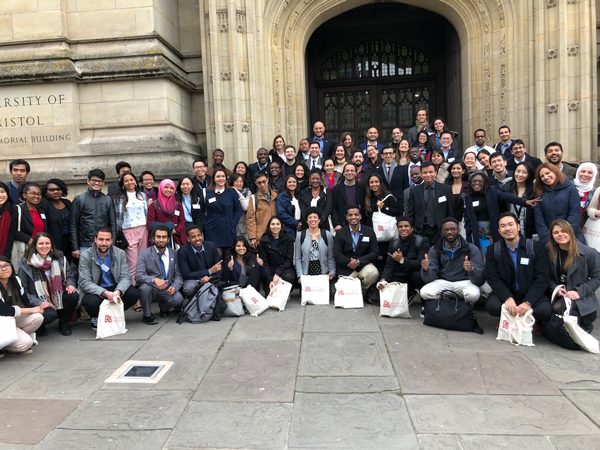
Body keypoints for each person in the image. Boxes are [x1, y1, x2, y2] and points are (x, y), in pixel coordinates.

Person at [484, 212, 551, 326]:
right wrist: (507, 298)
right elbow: (493, 278)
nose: (507, 228)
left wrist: (528, 301)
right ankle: (506, 318)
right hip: (509, 292)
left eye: (511, 224)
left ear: (518, 227)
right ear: (499, 231)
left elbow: (542, 278)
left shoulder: (536, 248)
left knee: (545, 310)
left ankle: (533, 322)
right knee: (492, 306)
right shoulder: (493, 250)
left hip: (529, 293)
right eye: (503, 226)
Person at [79, 227, 140, 331]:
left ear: (112, 240)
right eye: (101, 239)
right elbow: (85, 282)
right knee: (91, 302)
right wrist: (105, 293)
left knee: (134, 293)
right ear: (95, 239)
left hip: (114, 287)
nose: (104, 243)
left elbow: (126, 276)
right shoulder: (85, 256)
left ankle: (115, 314)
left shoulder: (120, 253)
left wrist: (118, 291)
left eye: (107, 240)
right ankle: (96, 316)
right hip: (97, 289)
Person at [463, 171, 538, 254]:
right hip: (478, 234)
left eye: (480, 181)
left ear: (485, 182)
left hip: (493, 231)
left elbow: (509, 197)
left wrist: (525, 202)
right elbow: (468, 220)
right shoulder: (467, 197)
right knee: (480, 255)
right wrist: (469, 238)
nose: (477, 183)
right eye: (474, 181)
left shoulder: (492, 191)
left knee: (495, 253)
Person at [18, 232, 77, 336]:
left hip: (58, 295)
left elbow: (69, 274)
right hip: (39, 299)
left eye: (47, 243)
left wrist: (70, 285)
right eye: (41, 243)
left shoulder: (59, 257)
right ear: (35, 246)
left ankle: (63, 323)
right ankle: (40, 326)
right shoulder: (26, 263)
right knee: (50, 315)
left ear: (51, 245)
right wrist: (38, 302)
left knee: (73, 295)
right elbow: (23, 291)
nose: (44, 246)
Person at [548, 219, 600, 334]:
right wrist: (556, 289)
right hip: (560, 295)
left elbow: (597, 278)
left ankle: (579, 328)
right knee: (551, 314)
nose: (560, 234)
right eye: (556, 233)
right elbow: (547, 276)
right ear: (552, 236)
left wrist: (578, 292)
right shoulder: (549, 251)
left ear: (570, 232)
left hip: (582, 299)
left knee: (558, 309)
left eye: (563, 231)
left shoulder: (589, 253)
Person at [420, 217, 485, 306]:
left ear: (458, 230)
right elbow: (430, 279)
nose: (449, 232)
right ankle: (443, 306)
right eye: (446, 230)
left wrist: (471, 270)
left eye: (453, 229)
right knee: (425, 292)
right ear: (442, 232)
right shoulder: (435, 249)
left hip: (463, 282)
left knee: (473, 294)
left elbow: (480, 280)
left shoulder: (471, 249)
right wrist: (426, 270)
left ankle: (465, 310)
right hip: (443, 281)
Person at [135, 225, 184, 325]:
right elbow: (139, 276)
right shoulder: (144, 253)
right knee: (144, 288)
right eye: (158, 237)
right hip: (151, 288)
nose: (161, 240)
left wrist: (174, 287)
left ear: (168, 239)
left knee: (179, 298)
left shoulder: (174, 253)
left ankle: (164, 307)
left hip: (167, 289)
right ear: (153, 238)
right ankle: (147, 315)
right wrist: (154, 280)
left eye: (164, 237)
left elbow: (178, 275)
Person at [112, 171, 149, 289]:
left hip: (143, 229)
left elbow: (146, 213)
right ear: (123, 184)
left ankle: (144, 290)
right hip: (128, 231)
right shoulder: (119, 198)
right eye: (126, 181)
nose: (130, 182)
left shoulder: (142, 195)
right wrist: (118, 234)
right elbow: (118, 218)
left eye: (131, 180)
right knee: (132, 263)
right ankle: (134, 293)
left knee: (143, 261)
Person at [0, 256, 44, 355]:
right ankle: (4, 343)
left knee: (38, 317)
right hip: (1, 321)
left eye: (6, 265)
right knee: (26, 344)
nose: (4, 269)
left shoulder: (16, 279)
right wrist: (31, 310)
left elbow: (24, 300)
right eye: (0, 267)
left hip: (12, 318)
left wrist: (32, 309)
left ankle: (10, 340)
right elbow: (3, 310)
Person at [70, 169, 116, 259]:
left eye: (99, 181)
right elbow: (73, 225)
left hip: (104, 244)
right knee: (86, 271)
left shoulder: (108, 200)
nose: (97, 183)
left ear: (103, 183)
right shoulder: (80, 199)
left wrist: (112, 244)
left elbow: (113, 224)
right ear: (88, 181)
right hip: (85, 244)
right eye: (94, 180)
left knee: (104, 271)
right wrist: (75, 247)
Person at [333, 205, 379, 292]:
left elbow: (375, 253)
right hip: (346, 268)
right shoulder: (340, 233)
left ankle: (362, 290)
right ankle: (355, 291)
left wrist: (359, 261)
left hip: (363, 266)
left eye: (356, 214)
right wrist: (350, 262)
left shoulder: (369, 231)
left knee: (373, 273)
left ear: (360, 216)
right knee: (345, 291)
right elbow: (337, 255)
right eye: (350, 215)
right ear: (347, 217)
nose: (353, 217)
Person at [534, 163, 584, 243]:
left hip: (572, 237)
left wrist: (564, 234)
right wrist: (547, 240)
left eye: (547, 173)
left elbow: (574, 214)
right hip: (550, 240)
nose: (545, 177)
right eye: (542, 176)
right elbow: (539, 220)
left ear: (555, 172)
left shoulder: (570, 188)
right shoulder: (539, 193)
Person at [406, 161, 454, 244]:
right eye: (425, 172)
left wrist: (448, 229)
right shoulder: (414, 191)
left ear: (435, 173)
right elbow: (410, 213)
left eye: (431, 172)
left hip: (440, 230)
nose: (428, 175)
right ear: (421, 174)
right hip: (421, 231)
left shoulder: (445, 189)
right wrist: (413, 229)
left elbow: (450, 212)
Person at [379, 218, 430, 294]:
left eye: (406, 226)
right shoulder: (393, 244)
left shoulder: (422, 241)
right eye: (400, 227)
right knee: (383, 283)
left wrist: (402, 260)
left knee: (418, 275)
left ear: (412, 228)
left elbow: (420, 263)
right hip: (401, 275)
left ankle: (422, 299)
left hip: (414, 275)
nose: (403, 229)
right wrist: (384, 279)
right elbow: (389, 265)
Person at [203, 169, 242, 259]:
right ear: (213, 178)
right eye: (218, 176)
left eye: (223, 176)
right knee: (216, 257)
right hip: (212, 230)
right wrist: (205, 225)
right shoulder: (206, 192)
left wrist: (233, 223)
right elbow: (201, 212)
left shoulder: (232, 192)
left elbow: (238, 210)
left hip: (228, 229)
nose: (221, 179)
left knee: (229, 258)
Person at [363, 173, 400, 263]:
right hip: (372, 232)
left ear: (380, 183)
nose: (374, 184)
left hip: (385, 233)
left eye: (376, 182)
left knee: (386, 257)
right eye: (371, 182)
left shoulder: (387, 196)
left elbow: (396, 212)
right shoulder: (368, 197)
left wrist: (383, 207)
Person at [177, 226, 223, 298]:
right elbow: (186, 274)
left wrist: (210, 277)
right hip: (193, 279)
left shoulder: (211, 246)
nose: (197, 239)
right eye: (193, 237)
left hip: (209, 278)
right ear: (188, 239)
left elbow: (219, 267)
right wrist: (209, 271)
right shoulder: (183, 251)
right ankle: (194, 303)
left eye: (199, 235)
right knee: (188, 288)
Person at [11, 183, 48, 270]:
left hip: (40, 250)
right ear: (24, 195)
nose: (36, 196)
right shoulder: (17, 210)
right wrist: (28, 239)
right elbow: (11, 231)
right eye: (33, 193)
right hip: (24, 250)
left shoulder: (42, 211)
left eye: (39, 194)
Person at [295, 207, 335, 283]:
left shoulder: (327, 235)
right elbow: (297, 258)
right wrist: (300, 275)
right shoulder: (300, 236)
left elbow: (330, 257)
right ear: (306, 220)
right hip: (306, 273)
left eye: (315, 217)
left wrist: (332, 272)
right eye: (310, 218)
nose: (312, 220)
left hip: (323, 273)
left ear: (319, 219)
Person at [146, 179, 187, 247]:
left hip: (175, 238)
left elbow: (182, 221)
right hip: (159, 238)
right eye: (166, 187)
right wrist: (168, 228)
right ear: (161, 188)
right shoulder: (154, 205)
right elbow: (150, 222)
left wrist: (175, 230)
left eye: (171, 188)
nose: (169, 190)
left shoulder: (178, 205)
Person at [259, 216, 295, 290]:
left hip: (285, 268)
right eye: (273, 224)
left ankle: (286, 293)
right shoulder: (264, 241)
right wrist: (270, 279)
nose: (275, 226)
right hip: (270, 270)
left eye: (277, 224)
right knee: (269, 292)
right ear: (269, 226)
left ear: (281, 226)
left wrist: (277, 273)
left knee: (288, 276)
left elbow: (289, 260)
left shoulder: (288, 239)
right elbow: (265, 262)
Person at [502, 162, 536, 238]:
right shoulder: (507, 188)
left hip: (528, 232)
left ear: (529, 175)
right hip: (510, 231)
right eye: (518, 171)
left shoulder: (534, 191)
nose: (520, 175)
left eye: (524, 172)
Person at [42, 179, 72, 261]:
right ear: (46, 192)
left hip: (69, 242)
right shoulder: (43, 204)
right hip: (53, 242)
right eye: (52, 190)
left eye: (58, 189)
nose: (56, 191)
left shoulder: (67, 203)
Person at [375, 145, 409, 215]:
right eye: (385, 154)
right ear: (382, 156)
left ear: (394, 155)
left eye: (390, 153)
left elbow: (405, 188)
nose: (388, 155)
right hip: (383, 204)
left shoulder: (402, 169)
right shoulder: (377, 171)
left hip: (399, 204)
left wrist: (405, 207)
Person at [247, 171, 278, 248]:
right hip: (261, 236)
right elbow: (250, 219)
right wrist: (252, 237)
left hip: (276, 233)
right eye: (259, 183)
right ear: (255, 183)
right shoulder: (254, 198)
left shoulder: (276, 196)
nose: (262, 185)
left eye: (264, 181)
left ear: (267, 180)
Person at [332, 163, 365, 230]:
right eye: (347, 171)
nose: (349, 172)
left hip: (359, 224)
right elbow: (333, 208)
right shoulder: (336, 189)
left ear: (356, 173)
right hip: (342, 225)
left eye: (352, 170)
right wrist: (336, 224)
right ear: (343, 173)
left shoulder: (362, 189)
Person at [573, 162, 597, 227]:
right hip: (568, 226)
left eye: (590, 172)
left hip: (586, 227)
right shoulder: (568, 187)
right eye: (583, 171)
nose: (585, 174)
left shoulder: (595, 192)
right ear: (578, 172)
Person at [228, 173, 252, 238]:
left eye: (241, 181)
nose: (239, 183)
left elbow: (245, 207)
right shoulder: (227, 192)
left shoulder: (247, 192)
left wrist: (238, 193)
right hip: (230, 222)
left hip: (242, 224)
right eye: (236, 181)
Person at [0, 182, 14, 258]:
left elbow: (12, 234)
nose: (0, 195)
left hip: (5, 252)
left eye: (2, 192)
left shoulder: (13, 211)